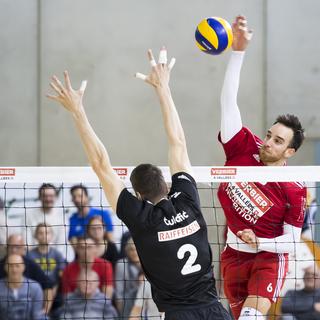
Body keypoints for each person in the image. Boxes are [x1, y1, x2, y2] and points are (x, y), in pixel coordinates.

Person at [47, 48, 231, 319]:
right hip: (215, 310)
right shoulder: (188, 199)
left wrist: (77, 111)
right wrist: (163, 88)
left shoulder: (140, 216)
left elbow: (101, 165)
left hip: (179, 314)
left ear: (138, 194)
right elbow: (178, 142)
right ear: (167, 185)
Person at [217, 16, 307, 319]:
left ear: (289, 152)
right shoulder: (243, 147)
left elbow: (292, 240)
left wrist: (261, 241)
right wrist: (238, 51)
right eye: (269, 135)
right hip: (232, 256)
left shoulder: (294, 187)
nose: (268, 142)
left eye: (278, 141)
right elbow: (229, 103)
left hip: (269, 257)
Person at [0, 234, 54, 314]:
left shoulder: (31, 265)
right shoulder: (1, 265)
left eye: (17, 247)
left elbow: (47, 285)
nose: (14, 250)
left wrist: (45, 311)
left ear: (23, 249)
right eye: (10, 247)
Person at [27, 223, 66, 319]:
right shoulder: (30, 255)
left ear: (52, 236)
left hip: (55, 291)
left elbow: (61, 276)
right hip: (35, 291)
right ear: (35, 236)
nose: (44, 235)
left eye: (47, 233)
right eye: (40, 233)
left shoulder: (57, 254)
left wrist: (53, 291)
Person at [25, 183, 72, 261]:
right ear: (39, 197)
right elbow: (28, 243)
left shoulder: (62, 217)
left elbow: (61, 244)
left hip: (58, 259)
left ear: (56, 197)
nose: (48, 199)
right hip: (35, 259)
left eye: (51, 196)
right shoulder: (28, 215)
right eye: (45, 196)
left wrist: (51, 259)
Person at [0, 254, 45, 320]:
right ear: (5, 267)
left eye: (17, 266)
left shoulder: (35, 287)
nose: (14, 270)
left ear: (23, 267)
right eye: (10, 266)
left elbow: (36, 315)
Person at [115, 238, 142, 319]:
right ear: (127, 251)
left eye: (136, 249)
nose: (134, 252)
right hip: (127, 303)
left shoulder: (148, 264)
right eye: (131, 249)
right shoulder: (121, 265)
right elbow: (119, 293)